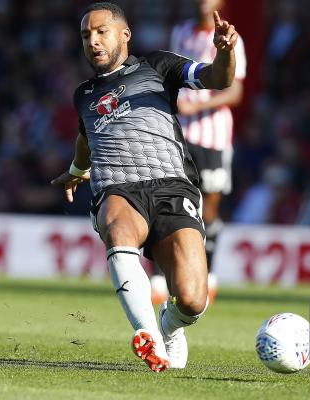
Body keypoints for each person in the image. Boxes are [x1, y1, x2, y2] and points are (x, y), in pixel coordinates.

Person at [50, 2, 239, 372]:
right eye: (86, 35)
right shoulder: (84, 94)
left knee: (193, 299)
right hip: (118, 188)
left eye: (101, 32)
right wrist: (76, 170)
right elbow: (86, 140)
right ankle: (147, 334)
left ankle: (169, 325)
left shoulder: (158, 66)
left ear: (125, 34)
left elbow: (218, 79)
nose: (93, 41)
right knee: (117, 225)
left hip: (172, 187)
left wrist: (225, 52)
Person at [150, 0, 247, 305]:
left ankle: (209, 274)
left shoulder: (232, 37)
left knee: (210, 209)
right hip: (179, 133)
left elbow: (235, 91)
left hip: (214, 136)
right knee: (166, 199)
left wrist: (198, 105)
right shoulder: (180, 33)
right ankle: (158, 276)